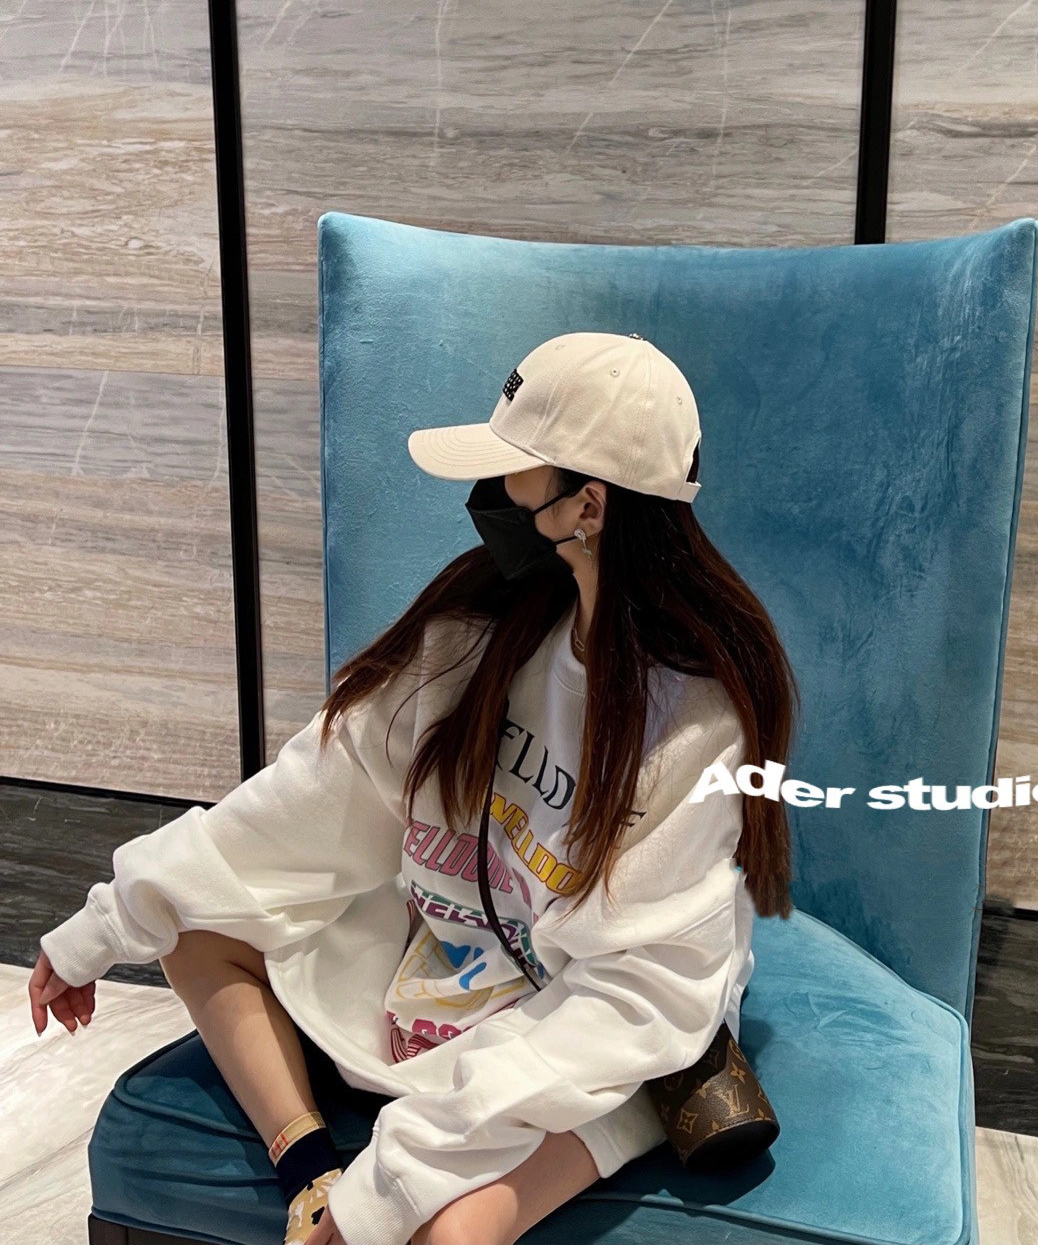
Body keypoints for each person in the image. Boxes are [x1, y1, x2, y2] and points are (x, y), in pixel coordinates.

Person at [29, 331, 797, 1245]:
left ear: (586, 505)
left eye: (514, 472)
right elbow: (314, 795)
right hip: (444, 958)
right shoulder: (479, 633)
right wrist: (107, 924)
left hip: (593, 1041)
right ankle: (308, 1173)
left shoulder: (696, 722)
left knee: (450, 1232)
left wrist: (396, 1180)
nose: (491, 495)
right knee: (190, 921)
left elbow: (636, 1000)